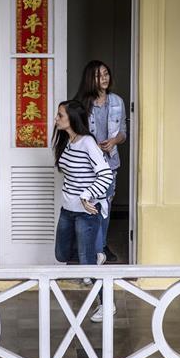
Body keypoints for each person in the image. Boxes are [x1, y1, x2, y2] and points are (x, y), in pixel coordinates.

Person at [52, 99, 115, 322]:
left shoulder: (87, 142)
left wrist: (87, 195)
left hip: (86, 212)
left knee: (86, 263)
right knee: (61, 254)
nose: (56, 119)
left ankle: (107, 303)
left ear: (72, 119)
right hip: (68, 209)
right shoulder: (67, 141)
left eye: (60, 115)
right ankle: (93, 255)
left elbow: (106, 175)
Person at [74, 60, 127, 266]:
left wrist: (114, 141)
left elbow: (123, 132)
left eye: (106, 74)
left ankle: (100, 247)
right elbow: (74, 134)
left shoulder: (117, 102)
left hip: (110, 163)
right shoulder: (81, 104)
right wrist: (92, 146)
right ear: (90, 79)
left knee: (104, 207)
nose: (104, 78)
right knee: (87, 208)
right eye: (98, 75)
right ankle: (87, 251)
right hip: (87, 165)